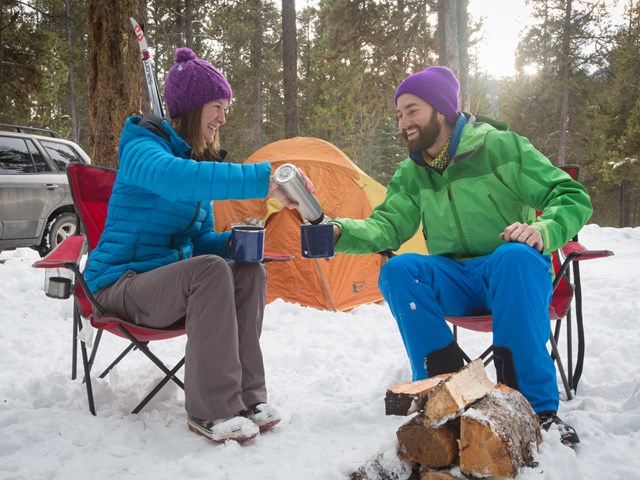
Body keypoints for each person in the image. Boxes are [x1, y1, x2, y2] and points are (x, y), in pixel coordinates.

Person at [329, 66, 592, 447]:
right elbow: (387, 226)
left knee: (515, 256)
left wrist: (543, 230)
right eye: (399, 114)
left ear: (441, 110)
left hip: (509, 274)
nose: (403, 123)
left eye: (412, 110)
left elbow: (571, 196)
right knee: (399, 269)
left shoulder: (500, 147)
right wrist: (340, 232)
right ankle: (449, 391)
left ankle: (535, 410)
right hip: (456, 277)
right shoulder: (412, 172)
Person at [83, 47, 314, 443]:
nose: (223, 117)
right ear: (192, 107)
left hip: (166, 287)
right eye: (217, 106)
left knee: (247, 270)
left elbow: (201, 240)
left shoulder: (194, 163)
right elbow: (176, 178)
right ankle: (212, 410)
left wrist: (237, 242)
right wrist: (264, 179)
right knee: (209, 270)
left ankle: (248, 398)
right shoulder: (141, 148)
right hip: (118, 285)